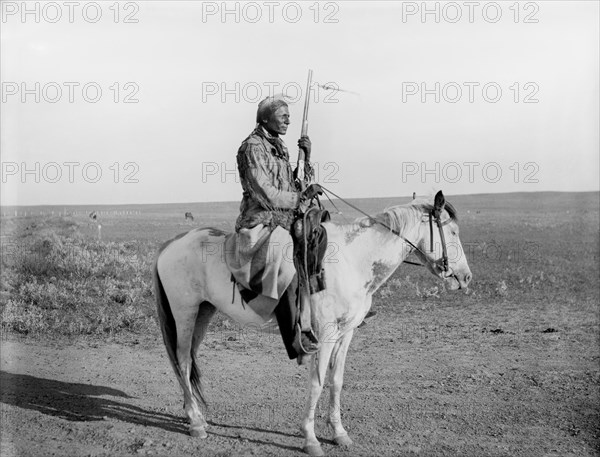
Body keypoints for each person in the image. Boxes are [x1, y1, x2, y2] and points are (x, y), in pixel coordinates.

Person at [235, 95, 322, 360]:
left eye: (288, 116)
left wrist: (307, 158)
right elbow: (266, 193)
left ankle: (326, 311)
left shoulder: (280, 146)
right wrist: (300, 199)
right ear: (264, 118)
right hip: (261, 219)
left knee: (319, 238)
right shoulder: (251, 148)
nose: (288, 120)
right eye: (282, 115)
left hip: (284, 215)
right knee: (286, 262)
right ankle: (296, 339)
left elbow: (292, 184)